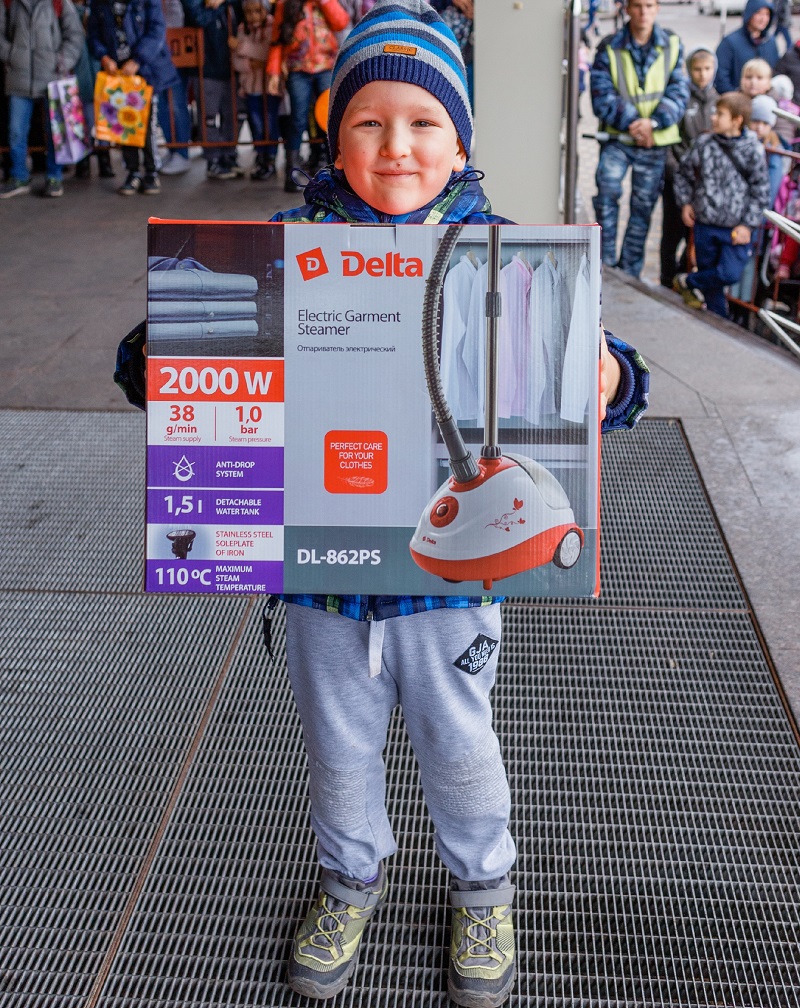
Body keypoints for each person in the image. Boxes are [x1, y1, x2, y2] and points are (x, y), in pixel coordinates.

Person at [269, 1, 650, 1005]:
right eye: (367, 122)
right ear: (334, 137)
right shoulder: (283, 248)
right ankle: (348, 879)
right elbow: (198, 360)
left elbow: (594, 364)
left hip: (449, 581)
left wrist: (608, 375)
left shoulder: (504, 250)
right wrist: (163, 354)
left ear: (462, 141)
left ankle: (483, 887)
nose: (396, 146)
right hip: (321, 580)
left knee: (460, 743)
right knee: (337, 750)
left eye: (423, 122)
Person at [590, 0, 689, 278]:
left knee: (642, 209)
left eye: (649, 5)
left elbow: (679, 92)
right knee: (607, 196)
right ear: (627, 9)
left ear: (657, 8)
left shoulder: (672, 44)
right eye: (637, 5)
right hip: (618, 139)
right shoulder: (610, 46)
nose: (643, 12)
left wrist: (653, 123)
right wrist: (634, 123)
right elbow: (601, 93)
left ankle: (629, 273)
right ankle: (605, 266)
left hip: (653, 142)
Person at [672, 91, 770, 317]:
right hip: (706, 222)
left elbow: (760, 191)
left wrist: (747, 225)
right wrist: (686, 203)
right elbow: (683, 173)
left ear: (737, 120)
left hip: (735, 228)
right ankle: (718, 322)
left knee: (729, 273)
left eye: (720, 114)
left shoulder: (752, 150)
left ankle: (687, 281)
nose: (713, 117)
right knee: (711, 282)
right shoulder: (704, 143)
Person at [87, 0, 180, 194]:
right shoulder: (99, 3)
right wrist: (104, 57)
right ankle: (133, 172)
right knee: (124, 124)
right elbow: (93, 33)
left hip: (146, 71)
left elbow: (156, 29)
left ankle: (151, 172)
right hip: (118, 74)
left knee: (147, 125)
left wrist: (138, 60)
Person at [0, 0, 84, 198]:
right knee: (16, 131)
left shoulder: (58, 2)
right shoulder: (9, 2)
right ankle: (19, 176)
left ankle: (54, 177)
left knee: (55, 131)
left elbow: (75, 34)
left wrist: (62, 60)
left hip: (52, 76)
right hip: (19, 76)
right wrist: (10, 55)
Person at [266, 0, 349, 193]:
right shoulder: (285, 4)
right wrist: (274, 72)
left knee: (330, 119)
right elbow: (277, 40)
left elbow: (341, 22)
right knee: (297, 119)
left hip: (325, 67)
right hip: (297, 69)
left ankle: (335, 171)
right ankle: (292, 173)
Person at [660, 47, 719, 288]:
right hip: (677, 177)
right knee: (671, 232)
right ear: (689, 70)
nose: (702, 74)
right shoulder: (680, 99)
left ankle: (682, 279)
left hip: (703, 183)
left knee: (694, 234)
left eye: (707, 69)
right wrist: (674, 171)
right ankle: (666, 279)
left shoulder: (718, 101)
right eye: (697, 69)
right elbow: (670, 140)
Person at [183, 0, 243, 180]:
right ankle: (213, 159)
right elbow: (198, 17)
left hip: (232, 64)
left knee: (233, 114)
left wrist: (220, 2)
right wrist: (221, 6)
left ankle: (229, 154)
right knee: (208, 116)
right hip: (206, 65)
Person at [230, 0, 279, 179]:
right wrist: (251, 63)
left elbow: (267, 53)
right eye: (249, 12)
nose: (253, 16)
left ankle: (271, 159)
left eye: (257, 11)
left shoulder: (273, 25)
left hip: (269, 87)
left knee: (270, 122)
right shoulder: (243, 28)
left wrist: (241, 47)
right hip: (251, 87)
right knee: (256, 123)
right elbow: (236, 61)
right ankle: (260, 157)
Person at [714, 1, 779, 95]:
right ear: (749, 13)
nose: (763, 19)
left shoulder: (770, 42)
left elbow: (775, 72)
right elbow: (721, 77)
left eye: (767, 14)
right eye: (759, 13)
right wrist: (736, 97)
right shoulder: (730, 42)